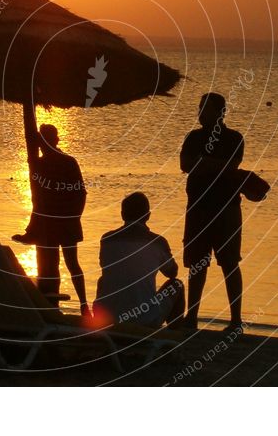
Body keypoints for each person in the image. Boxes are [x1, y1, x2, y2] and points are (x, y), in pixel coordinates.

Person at [13, 103, 90, 316]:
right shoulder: (45, 163)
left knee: (69, 264)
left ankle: (83, 304)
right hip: (56, 223)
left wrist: (72, 217)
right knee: (58, 265)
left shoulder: (59, 163)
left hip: (61, 222)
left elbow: (80, 194)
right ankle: (71, 305)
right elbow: (78, 195)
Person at [180, 93, 245, 334]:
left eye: (205, 109)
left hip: (226, 209)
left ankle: (236, 320)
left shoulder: (234, 137)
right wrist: (214, 164)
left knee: (229, 263)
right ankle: (191, 317)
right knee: (197, 264)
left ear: (220, 112)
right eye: (199, 108)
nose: (200, 113)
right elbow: (185, 164)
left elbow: (231, 165)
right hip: (198, 208)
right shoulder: (193, 137)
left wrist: (204, 163)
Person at [93, 192, 184, 329]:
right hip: (144, 318)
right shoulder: (157, 242)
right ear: (148, 216)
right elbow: (172, 273)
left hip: (107, 317)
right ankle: (173, 333)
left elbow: (104, 266)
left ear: (122, 214)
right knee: (176, 285)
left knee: (103, 280)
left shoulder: (107, 239)